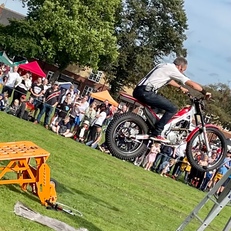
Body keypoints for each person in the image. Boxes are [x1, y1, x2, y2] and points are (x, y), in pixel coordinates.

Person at [133, 57, 211, 142]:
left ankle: (148, 127)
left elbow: (168, 80)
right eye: (183, 70)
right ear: (180, 67)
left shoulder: (163, 65)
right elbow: (191, 84)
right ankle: (157, 133)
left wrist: (180, 87)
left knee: (157, 109)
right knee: (172, 108)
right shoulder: (173, 69)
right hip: (147, 93)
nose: (182, 72)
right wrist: (204, 92)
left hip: (139, 90)